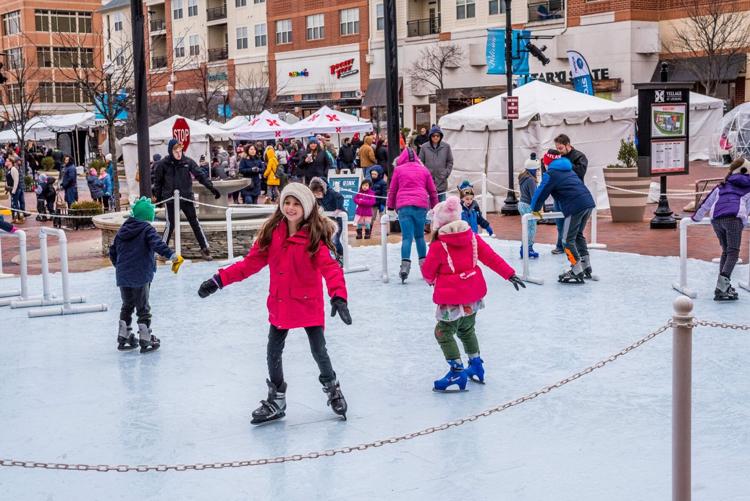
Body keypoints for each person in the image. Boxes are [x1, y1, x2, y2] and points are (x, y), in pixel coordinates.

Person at [197, 183, 352, 424]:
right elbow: (249, 265)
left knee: (319, 351)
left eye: (296, 204)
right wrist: (219, 280)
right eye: (287, 203)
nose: (290, 208)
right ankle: (277, 398)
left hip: (307, 303)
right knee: (273, 352)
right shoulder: (273, 234)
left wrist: (339, 296)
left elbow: (331, 268)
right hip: (280, 304)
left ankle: (333, 389)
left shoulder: (313, 237)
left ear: (307, 208)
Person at [420, 196, 525, 392]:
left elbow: (428, 272)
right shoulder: (472, 237)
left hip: (451, 298)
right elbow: (491, 258)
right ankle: (476, 364)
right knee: (467, 329)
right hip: (473, 294)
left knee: (443, 332)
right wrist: (509, 274)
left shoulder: (438, 244)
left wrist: (430, 279)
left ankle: (457, 371)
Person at [109, 197, 184, 353]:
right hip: (141, 274)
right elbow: (158, 244)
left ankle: (124, 335)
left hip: (123, 275)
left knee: (127, 305)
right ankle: (145, 338)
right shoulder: (146, 229)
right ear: (147, 216)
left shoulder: (122, 229)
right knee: (143, 307)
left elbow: (113, 251)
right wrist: (172, 256)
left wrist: (120, 267)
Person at [530, 149, 596, 284]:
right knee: (577, 235)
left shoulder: (551, 174)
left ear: (547, 162)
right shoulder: (568, 170)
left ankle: (576, 270)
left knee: (566, 240)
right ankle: (586, 266)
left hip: (575, 207)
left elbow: (540, 193)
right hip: (588, 203)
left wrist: (534, 209)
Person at [152, 139, 221, 261]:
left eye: (180, 150)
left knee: (194, 222)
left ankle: (204, 248)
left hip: (186, 197)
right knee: (170, 224)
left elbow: (200, 175)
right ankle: (162, 251)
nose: (179, 153)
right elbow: (158, 182)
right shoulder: (163, 164)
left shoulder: (188, 162)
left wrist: (212, 188)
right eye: (176, 150)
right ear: (171, 151)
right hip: (171, 199)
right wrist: (158, 197)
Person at [692, 158, 750, 300]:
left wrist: (696, 218)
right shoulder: (747, 187)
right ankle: (722, 287)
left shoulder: (722, 185)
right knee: (733, 253)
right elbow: (748, 207)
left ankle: (724, 285)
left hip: (716, 220)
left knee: (726, 251)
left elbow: (706, 203)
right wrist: (745, 221)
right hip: (733, 219)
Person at [386, 147, 439, 283]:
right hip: (421, 205)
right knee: (420, 236)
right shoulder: (424, 170)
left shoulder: (398, 170)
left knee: (407, 238)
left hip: (404, 206)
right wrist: (435, 207)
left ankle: (405, 267)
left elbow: (392, 190)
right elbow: (432, 191)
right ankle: (425, 268)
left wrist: (390, 207)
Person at [552, 134, 588, 253]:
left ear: (568, 145)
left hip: (573, 197)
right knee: (560, 223)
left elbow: (580, 172)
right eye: (557, 148)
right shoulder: (557, 156)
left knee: (573, 225)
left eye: (560, 148)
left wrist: (565, 163)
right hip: (559, 195)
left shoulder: (579, 156)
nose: (559, 151)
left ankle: (572, 249)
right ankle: (560, 246)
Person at [309, 177, 345, 264]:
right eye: (315, 194)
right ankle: (333, 255)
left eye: (318, 193)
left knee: (336, 239)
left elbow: (340, 197)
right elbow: (316, 204)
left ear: (323, 189)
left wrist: (338, 208)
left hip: (338, 219)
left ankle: (341, 257)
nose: (317, 195)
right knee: (327, 239)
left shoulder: (331, 192)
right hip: (329, 219)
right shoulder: (317, 197)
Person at [418, 125, 454, 202]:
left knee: (442, 207)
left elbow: (450, 161)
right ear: (430, 136)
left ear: (440, 136)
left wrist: (445, 173)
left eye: (438, 135)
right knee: (429, 207)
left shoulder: (446, 146)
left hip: (441, 180)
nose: (435, 137)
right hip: (428, 181)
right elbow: (420, 162)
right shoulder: (424, 147)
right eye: (433, 135)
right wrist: (425, 174)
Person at [518, 153, 540, 259]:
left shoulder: (523, 177)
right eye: (537, 170)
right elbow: (534, 196)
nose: (538, 172)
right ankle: (528, 249)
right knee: (531, 229)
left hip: (521, 204)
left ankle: (524, 248)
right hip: (527, 205)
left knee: (526, 228)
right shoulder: (531, 180)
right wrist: (538, 209)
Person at [8, 158, 25, 224]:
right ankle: (18, 217)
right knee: (16, 204)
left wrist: (13, 191)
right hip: (18, 188)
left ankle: (19, 217)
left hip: (17, 188)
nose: (19, 162)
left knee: (15, 204)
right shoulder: (14, 169)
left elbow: (16, 180)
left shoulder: (14, 169)